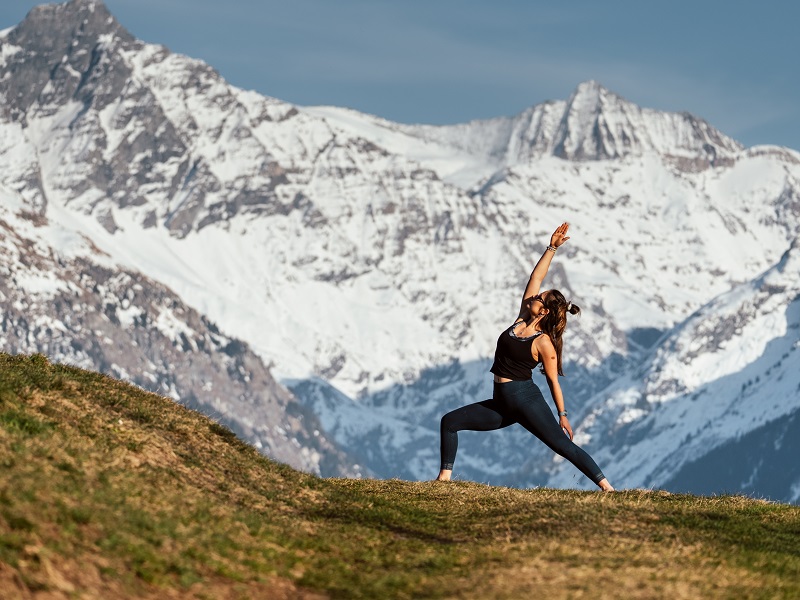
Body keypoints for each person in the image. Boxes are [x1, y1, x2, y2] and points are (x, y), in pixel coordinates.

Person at [436, 222, 614, 491]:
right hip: (503, 403)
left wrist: (562, 415)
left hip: (525, 401)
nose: (534, 295)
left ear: (542, 311)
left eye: (539, 298)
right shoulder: (521, 319)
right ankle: (443, 481)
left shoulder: (544, 343)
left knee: (563, 446)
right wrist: (552, 247)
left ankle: (608, 489)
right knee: (450, 422)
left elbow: (553, 381)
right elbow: (536, 277)